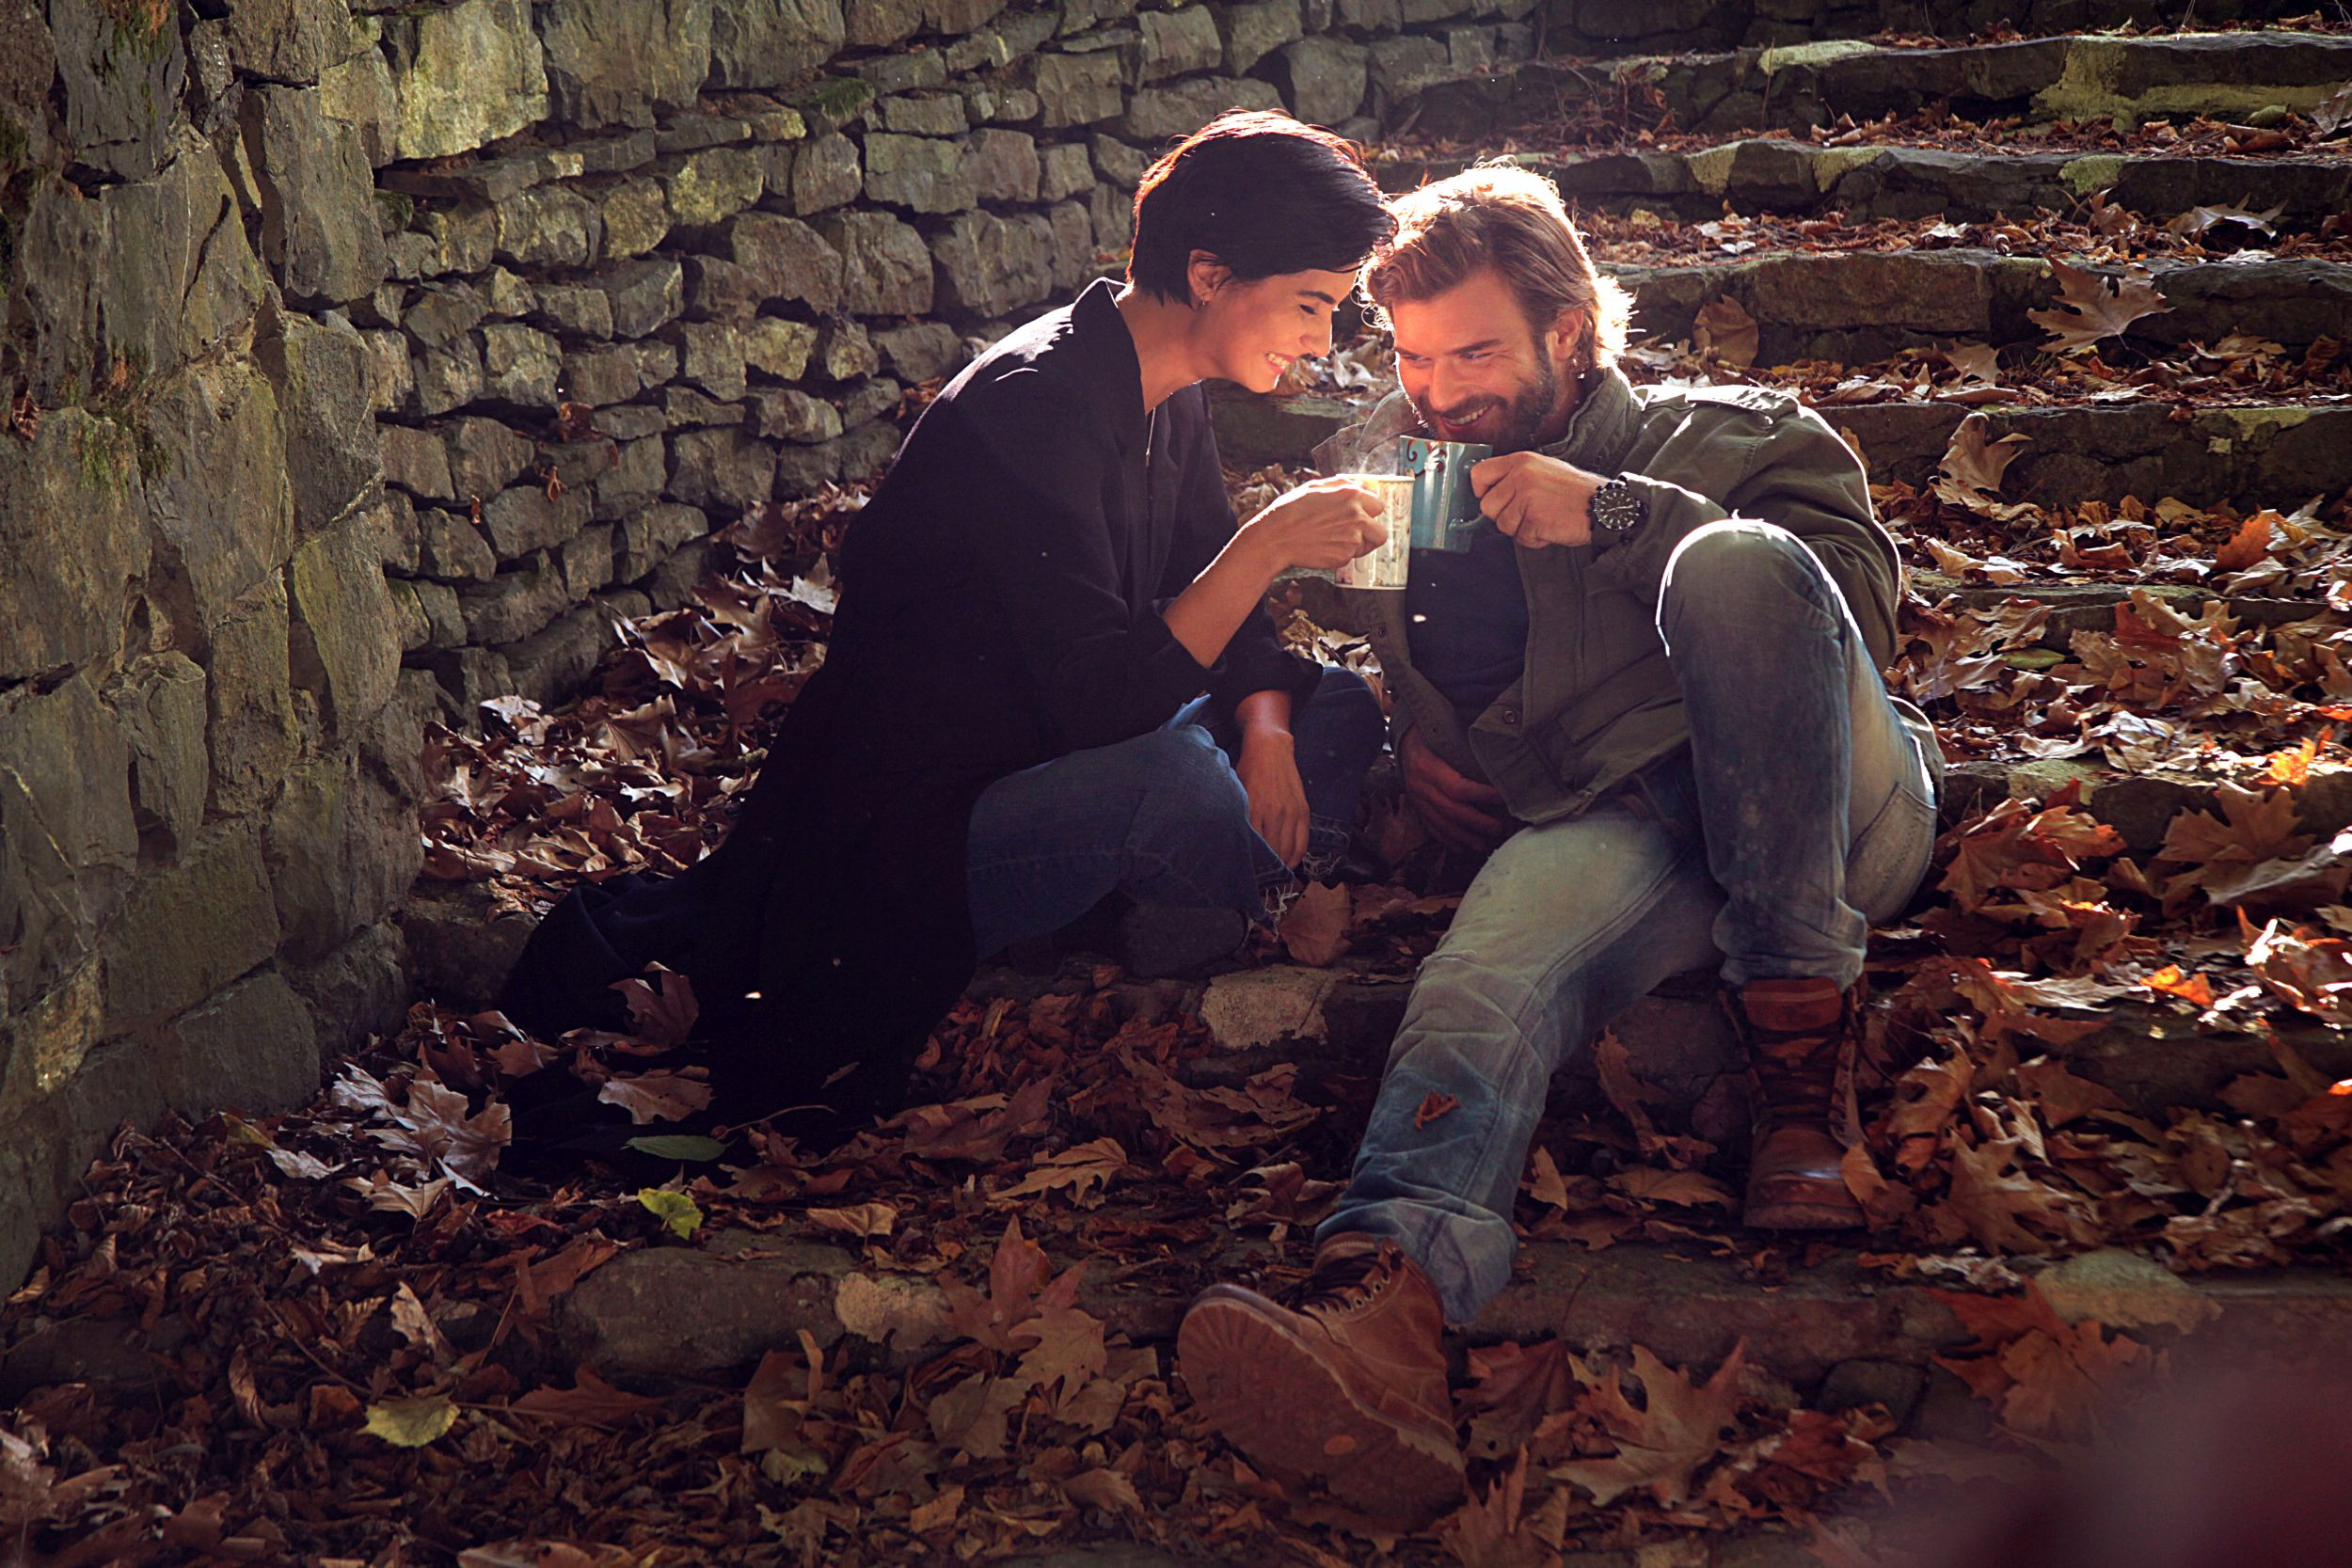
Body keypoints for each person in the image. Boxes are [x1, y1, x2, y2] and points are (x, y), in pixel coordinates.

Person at [1177, 165, 1944, 1517]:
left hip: (1828, 817)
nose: (1440, 388)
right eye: (1414, 355)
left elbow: (1847, 638)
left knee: (1739, 563)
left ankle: (1798, 1096)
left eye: (1475, 350)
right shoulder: (1398, 464)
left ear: (1571, 333)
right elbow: (1386, 643)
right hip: (1616, 825)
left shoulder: (1734, 435)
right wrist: (1422, 739)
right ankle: (1392, 1312)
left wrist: (1621, 512)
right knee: (1481, 974)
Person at [498, 111, 1397, 1156]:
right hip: (925, 816)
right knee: (1177, 779)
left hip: (1082, 744)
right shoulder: (1034, 404)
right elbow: (1108, 694)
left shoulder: (1170, 390)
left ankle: (1188, 884)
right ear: (1208, 273)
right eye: (1309, 305)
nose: (1320, 342)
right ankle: (1186, 895)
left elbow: (1202, 607)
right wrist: (1265, 548)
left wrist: (1271, 729)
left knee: (1326, 705)